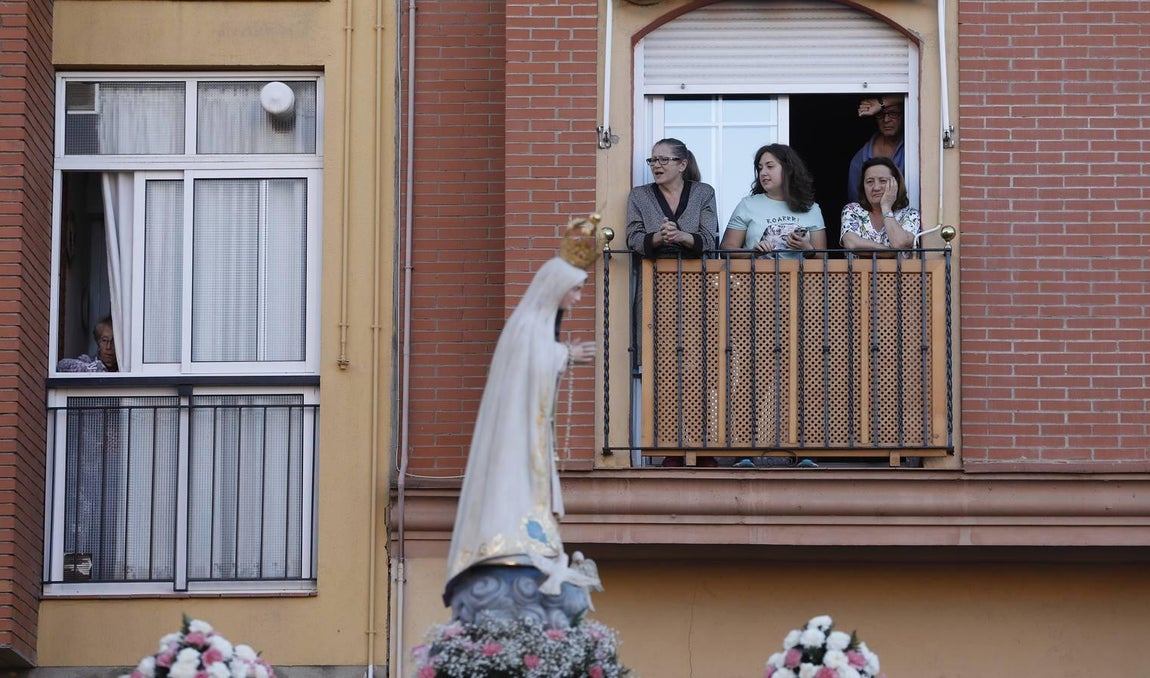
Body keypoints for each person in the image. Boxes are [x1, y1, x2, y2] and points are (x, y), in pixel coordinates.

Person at [444, 217, 600, 605]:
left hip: (528, 429)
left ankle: (528, 536)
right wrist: (567, 355)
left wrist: (562, 356)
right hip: (515, 432)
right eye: (576, 291)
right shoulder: (529, 326)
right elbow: (532, 365)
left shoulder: (535, 326)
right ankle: (508, 538)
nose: (578, 299)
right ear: (557, 289)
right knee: (511, 480)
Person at [720, 143, 826, 258]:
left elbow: (823, 257)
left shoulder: (811, 208)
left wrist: (807, 248)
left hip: (798, 275)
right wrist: (753, 252)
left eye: (770, 166)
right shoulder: (747, 205)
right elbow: (726, 250)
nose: (763, 173)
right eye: (760, 168)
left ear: (788, 169)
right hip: (757, 275)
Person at [625, 138, 719, 258]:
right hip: (651, 273)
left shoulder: (703, 193)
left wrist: (680, 235)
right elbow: (633, 240)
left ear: (682, 165)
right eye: (653, 160)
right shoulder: (639, 195)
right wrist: (660, 236)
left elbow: (709, 241)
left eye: (664, 160)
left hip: (696, 274)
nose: (656, 165)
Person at [840, 157, 921, 255]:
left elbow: (899, 244)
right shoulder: (852, 210)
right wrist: (891, 253)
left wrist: (886, 208)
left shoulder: (910, 215)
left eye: (882, 181)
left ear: (896, 184)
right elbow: (851, 244)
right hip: (859, 271)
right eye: (870, 182)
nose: (876, 188)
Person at [847, 96, 905, 204]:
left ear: (903, 114)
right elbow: (856, 202)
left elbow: (922, 96)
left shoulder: (913, 148)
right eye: (880, 114)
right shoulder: (860, 159)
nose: (886, 120)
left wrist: (881, 103)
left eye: (893, 113)